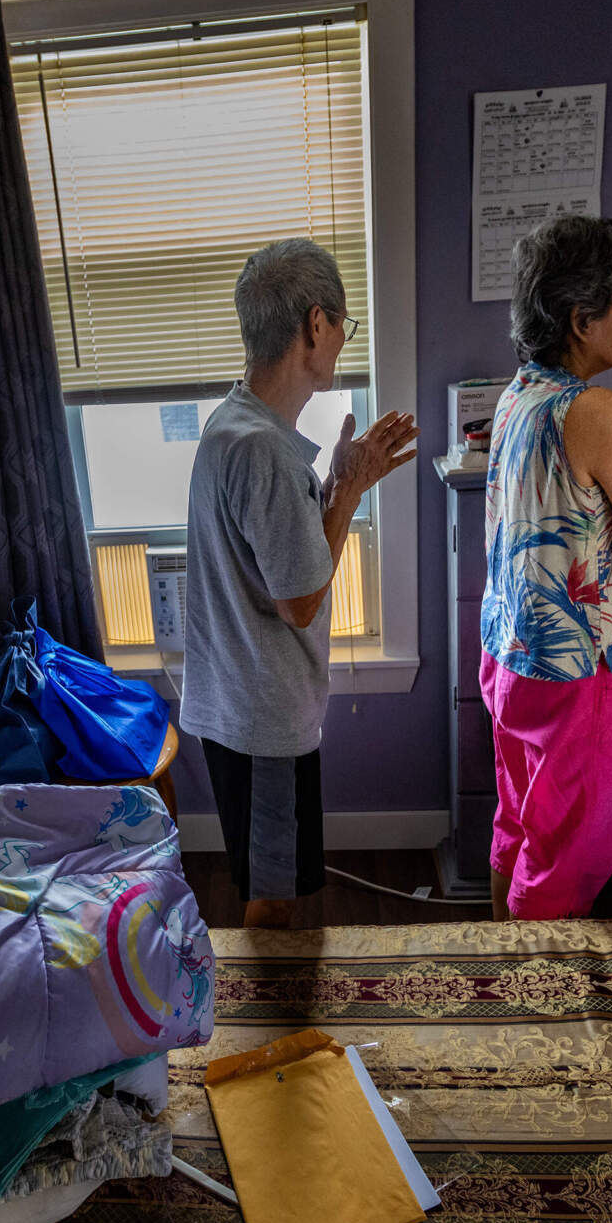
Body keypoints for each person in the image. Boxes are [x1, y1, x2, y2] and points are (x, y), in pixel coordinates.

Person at [180, 238, 417, 928]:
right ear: (316, 324)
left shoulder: (235, 424)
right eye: (343, 325)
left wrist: (336, 485)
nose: (342, 340)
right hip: (261, 719)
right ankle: (267, 998)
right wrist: (348, 491)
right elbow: (301, 599)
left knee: (271, 879)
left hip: (240, 704)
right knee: (273, 898)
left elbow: (276, 560)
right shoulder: (263, 450)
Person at [482, 215, 612, 922]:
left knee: (519, 823)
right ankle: (541, 986)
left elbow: (578, 516)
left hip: (513, 656)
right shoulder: (601, 412)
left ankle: (499, 960)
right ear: (581, 320)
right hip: (582, 676)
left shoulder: (519, 396)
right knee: (568, 859)